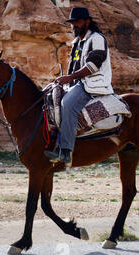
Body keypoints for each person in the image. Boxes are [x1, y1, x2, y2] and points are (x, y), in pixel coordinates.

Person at [44, 7, 114, 167]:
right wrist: (64, 81)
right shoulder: (77, 42)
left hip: (94, 83)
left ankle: (66, 151)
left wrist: (70, 78)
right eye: (72, 22)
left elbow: (94, 65)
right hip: (77, 83)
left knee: (67, 104)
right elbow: (73, 67)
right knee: (51, 97)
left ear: (87, 22)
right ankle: (53, 140)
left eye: (78, 21)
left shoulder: (97, 38)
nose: (74, 25)